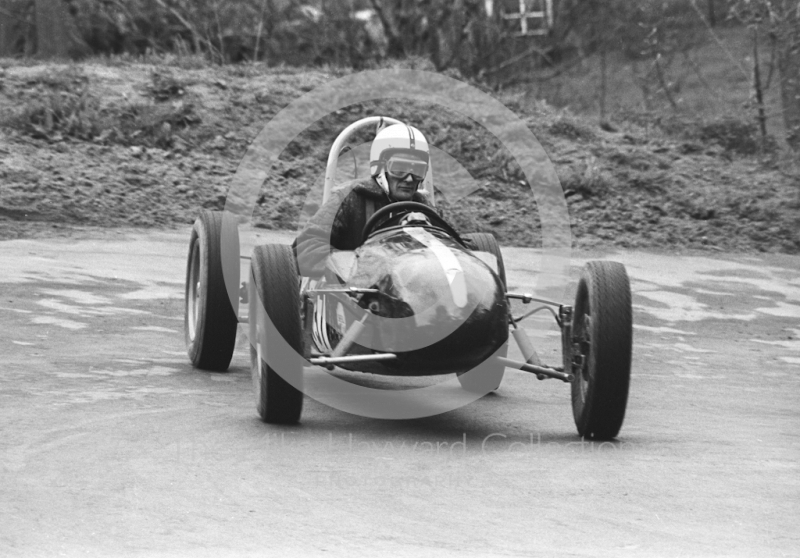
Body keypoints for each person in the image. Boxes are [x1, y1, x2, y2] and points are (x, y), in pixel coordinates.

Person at [293, 123, 434, 278]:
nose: (409, 178)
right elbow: (303, 249)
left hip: (412, 293)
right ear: (380, 167)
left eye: (417, 170)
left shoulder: (424, 207)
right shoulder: (349, 197)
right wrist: (356, 263)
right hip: (358, 293)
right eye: (399, 169)